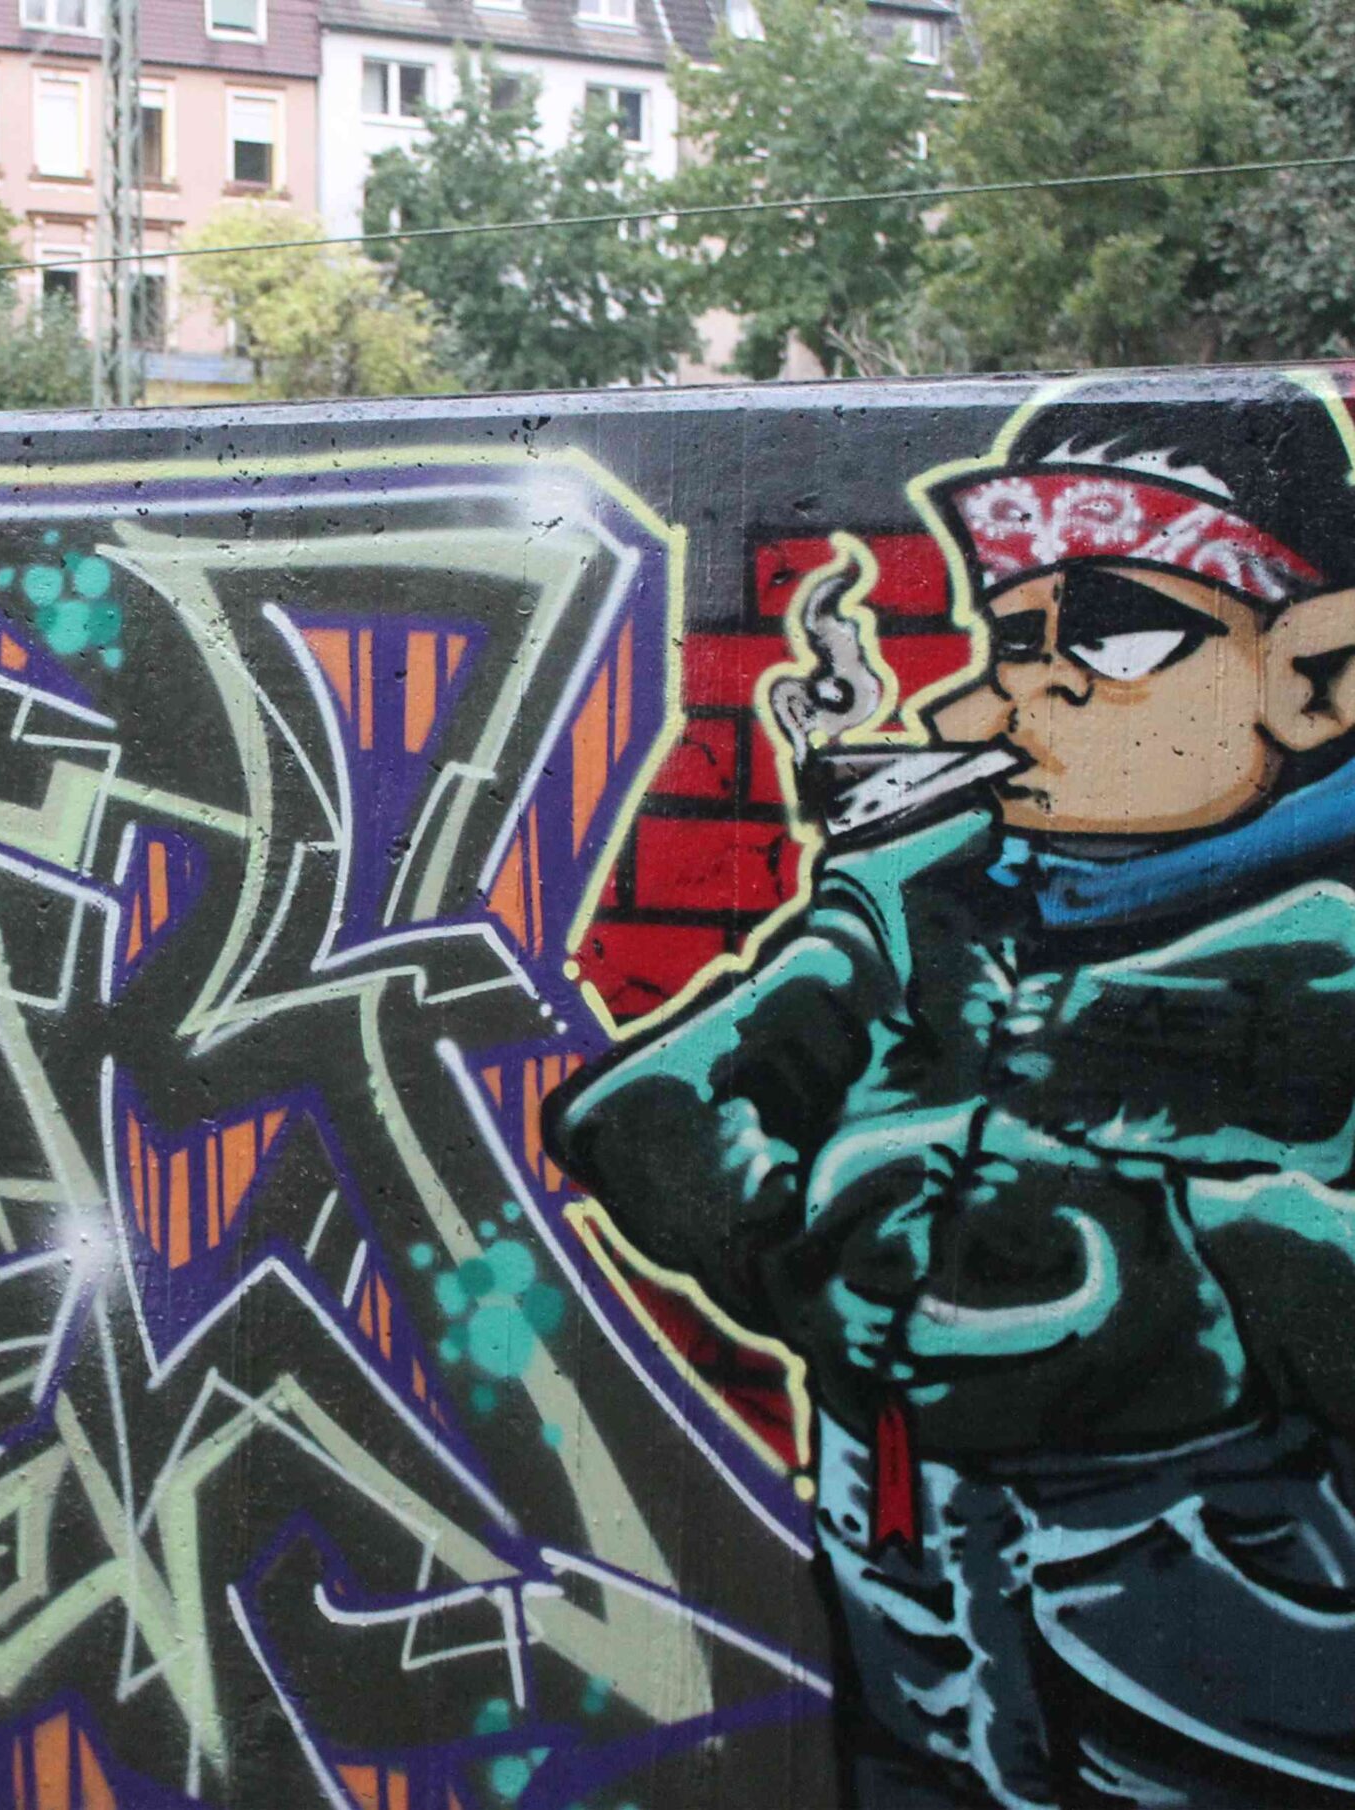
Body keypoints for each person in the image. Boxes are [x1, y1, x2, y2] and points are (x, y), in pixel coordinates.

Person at [545, 371, 1355, 1807]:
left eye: (1113, 633)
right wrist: (850, 1278)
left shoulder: (1322, 942)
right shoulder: (945, 900)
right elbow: (643, 1114)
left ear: (1316, 678)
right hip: (919, 1596)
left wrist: (1176, 1285)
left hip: (1228, 1620)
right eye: (1018, 638)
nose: (1026, 688)